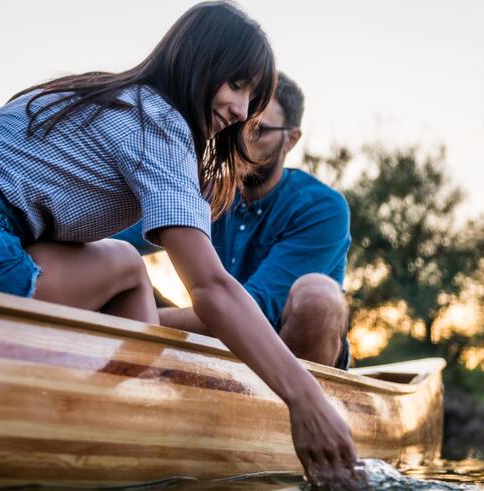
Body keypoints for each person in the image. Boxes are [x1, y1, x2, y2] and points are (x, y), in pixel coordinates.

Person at [0, 2, 362, 491]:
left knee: (123, 265)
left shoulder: (103, 97)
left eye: (252, 99)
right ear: (197, 61)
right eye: (236, 85)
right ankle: (136, 427)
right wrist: (304, 397)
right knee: (125, 266)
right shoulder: (158, 123)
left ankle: (111, 415)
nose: (239, 110)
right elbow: (210, 286)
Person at [115, 72, 351, 368]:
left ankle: (308, 406)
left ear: (290, 140)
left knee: (319, 296)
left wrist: (135, 320)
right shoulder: (206, 191)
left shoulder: (321, 207)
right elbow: (113, 237)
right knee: (113, 261)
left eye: (259, 130)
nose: (241, 141)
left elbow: (259, 310)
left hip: (284, 348)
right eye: (239, 127)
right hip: (219, 343)